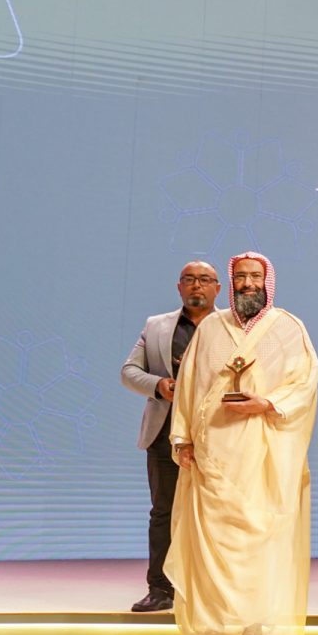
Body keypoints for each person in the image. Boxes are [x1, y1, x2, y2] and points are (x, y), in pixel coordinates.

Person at [166, 252, 318, 635]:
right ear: (230, 283)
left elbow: (304, 384)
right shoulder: (211, 327)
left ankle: (253, 633)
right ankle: (211, 634)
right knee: (208, 544)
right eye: (241, 277)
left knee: (258, 542)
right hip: (212, 453)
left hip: (263, 456)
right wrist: (182, 437)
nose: (248, 284)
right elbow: (188, 386)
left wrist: (265, 402)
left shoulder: (288, 327)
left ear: (267, 282)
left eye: (255, 277)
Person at [119, 260, 220, 612]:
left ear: (217, 288)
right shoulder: (157, 326)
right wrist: (158, 385)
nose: (197, 285)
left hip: (218, 435)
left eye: (204, 279)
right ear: (179, 287)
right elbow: (129, 371)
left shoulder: (230, 327)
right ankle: (160, 588)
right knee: (163, 512)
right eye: (189, 279)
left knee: (216, 514)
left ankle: (209, 591)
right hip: (165, 433)